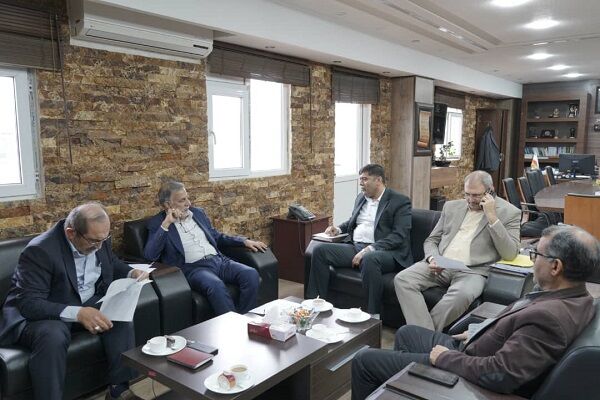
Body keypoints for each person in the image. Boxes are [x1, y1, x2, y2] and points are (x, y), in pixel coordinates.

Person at [352, 224, 598, 400]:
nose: (533, 260)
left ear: (555, 267)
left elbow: (500, 374)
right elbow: (517, 334)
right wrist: (479, 330)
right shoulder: (580, 297)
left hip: (469, 371)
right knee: (407, 333)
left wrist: (444, 359)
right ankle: (404, 387)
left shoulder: (550, 318)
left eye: (536, 254)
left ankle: (417, 381)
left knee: (364, 360)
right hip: (475, 347)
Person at [0, 203, 149, 400]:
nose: (100, 246)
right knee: (53, 335)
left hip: (85, 302)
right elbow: (29, 303)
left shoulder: (98, 238)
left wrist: (132, 272)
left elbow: (111, 262)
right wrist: (78, 313)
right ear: (71, 233)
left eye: (104, 240)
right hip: (44, 313)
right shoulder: (40, 250)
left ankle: (118, 390)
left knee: (119, 315)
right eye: (94, 241)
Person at [394, 170, 520, 331]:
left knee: (462, 295)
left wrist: (492, 217)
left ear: (490, 191)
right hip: (441, 263)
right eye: (467, 194)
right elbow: (432, 240)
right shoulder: (451, 207)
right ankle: (425, 336)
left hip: (473, 271)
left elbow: (510, 253)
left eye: (476, 195)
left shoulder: (510, 212)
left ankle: (421, 335)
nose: (470, 200)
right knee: (403, 279)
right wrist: (433, 258)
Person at [144, 180, 266, 315]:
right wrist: (167, 223)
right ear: (168, 204)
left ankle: (246, 319)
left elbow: (216, 236)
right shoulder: (158, 223)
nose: (188, 203)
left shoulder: (198, 213)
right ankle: (233, 325)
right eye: (182, 200)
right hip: (194, 269)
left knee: (250, 274)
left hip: (219, 261)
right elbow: (150, 255)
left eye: (187, 198)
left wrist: (243, 242)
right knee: (216, 285)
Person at [306, 164, 412, 318]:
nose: (361, 183)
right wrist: (338, 229)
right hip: (356, 247)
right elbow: (353, 221)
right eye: (360, 179)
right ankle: (315, 306)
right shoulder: (361, 198)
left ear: (378, 180)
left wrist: (369, 249)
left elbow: (399, 235)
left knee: (369, 259)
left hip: (387, 252)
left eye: (364, 179)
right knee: (320, 250)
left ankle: (373, 315)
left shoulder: (399, 201)